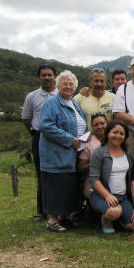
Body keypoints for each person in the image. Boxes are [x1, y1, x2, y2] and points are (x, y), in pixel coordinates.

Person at [38, 70, 87, 232]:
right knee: (55, 186)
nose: (68, 86)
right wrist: (69, 140)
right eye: (64, 84)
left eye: (71, 84)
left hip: (72, 153)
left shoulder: (73, 102)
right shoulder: (52, 103)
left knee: (67, 185)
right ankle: (52, 220)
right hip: (56, 154)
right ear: (58, 86)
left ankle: (63, 218)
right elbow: (45, 126)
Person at [89, 121, 134, 233]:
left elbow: (131, 178)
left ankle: (117, 221)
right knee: (115, 211)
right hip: (101, 196)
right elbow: (94, 179)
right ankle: (106, 219)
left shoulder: (126, 153)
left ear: (125, 137)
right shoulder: (99, 152)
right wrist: (108, 196)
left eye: (121, 134)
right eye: (115, 132)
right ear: (108, 133)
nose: (118, 136)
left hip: (122, 198)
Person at [22, 64, 58, 221]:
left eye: (50, 75)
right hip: (40, 138)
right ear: (39, 77)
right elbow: (26, 118)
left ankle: (61, 209)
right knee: (42, 173)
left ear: (55, 77)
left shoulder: (61, 94)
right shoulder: (32, 96)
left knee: (60, 173)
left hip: (59, 139)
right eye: (44, 75)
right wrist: (35, 133)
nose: (47, 78)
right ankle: (42, 210)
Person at [78, 113, 108, 200]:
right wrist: (96, 164)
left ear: (107, 124)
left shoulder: (114, 139)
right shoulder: (88, 143)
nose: (100, 126)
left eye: (102, 123)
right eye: (96, 125)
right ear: (92, 127)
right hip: (93, 184)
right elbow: (81, 167)